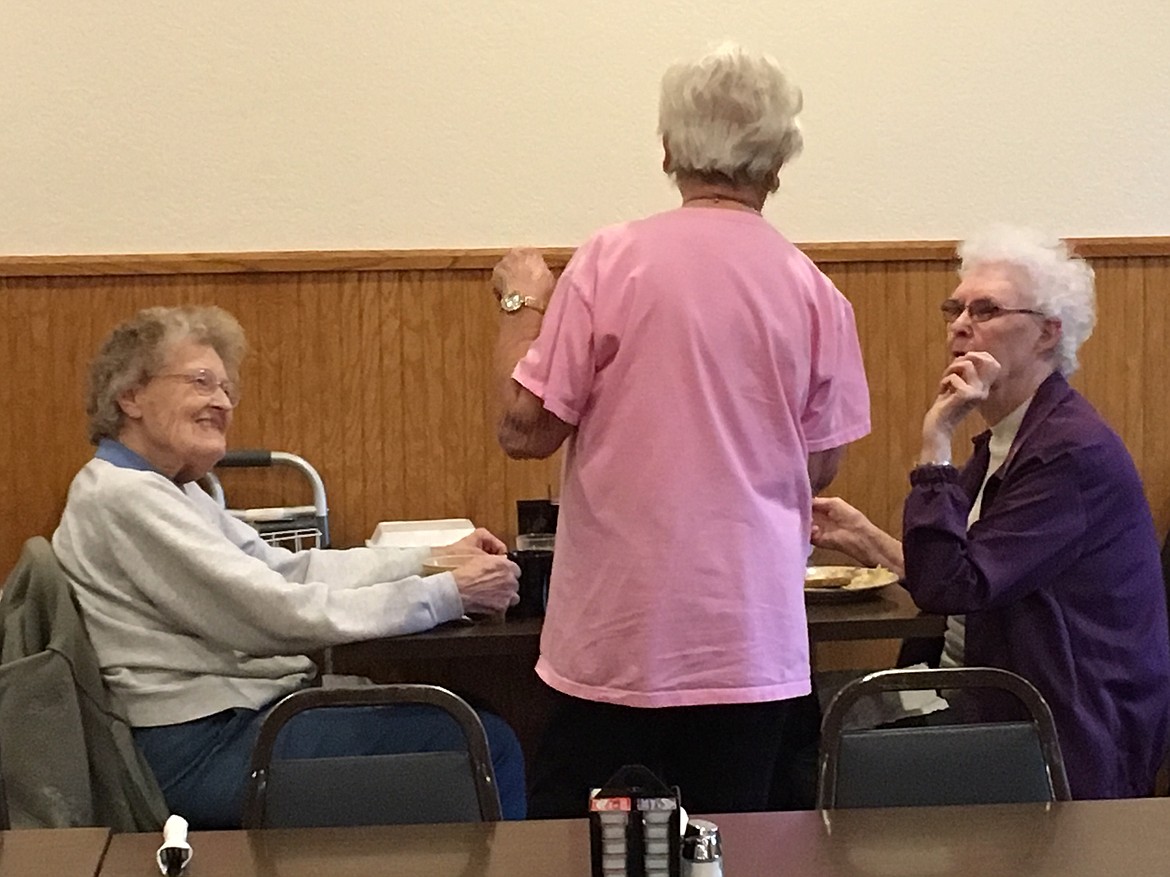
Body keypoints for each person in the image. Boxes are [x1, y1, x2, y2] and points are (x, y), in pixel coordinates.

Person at [489, 43, 871, 817]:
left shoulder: (609, 261)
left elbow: (524, 427)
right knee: (734, 845)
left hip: (620, 636)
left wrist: (519, 302)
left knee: (589, 847)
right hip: (752, 640)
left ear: (668, 150)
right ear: (777, 164)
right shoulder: (814, 291)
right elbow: (820, 464)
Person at [52, 304, 527, 827]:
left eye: (227, 389)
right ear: (131, 394)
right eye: (202, 381)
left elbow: (286, 571)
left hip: (229, 726)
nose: (222, 401)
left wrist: (432, 561)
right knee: (477, 740)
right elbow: (275, 613)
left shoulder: (168, 488)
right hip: (196, 752)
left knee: (472, 719)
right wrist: (448, 595)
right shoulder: (125, 496)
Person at [812, 225, 1170, 799]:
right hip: (984, 690)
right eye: (955, 308)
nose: (959, 324)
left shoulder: (1068, 452)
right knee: (807, 718)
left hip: (1055, 725)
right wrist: (865, 538)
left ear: (1047, 334)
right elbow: (965, 572)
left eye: (986, 310)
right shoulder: (1013, 437)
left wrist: (936, 441)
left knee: (809, 746)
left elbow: (957, 587)